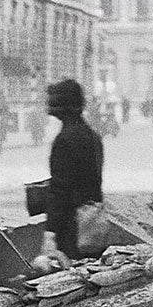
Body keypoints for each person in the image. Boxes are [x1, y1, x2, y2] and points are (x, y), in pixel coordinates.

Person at [43, 78, 104, 259]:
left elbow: (61, 190)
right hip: (92, 221)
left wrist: (51, 229)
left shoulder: (64, 140)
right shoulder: (92, 136)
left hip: (71, 225)